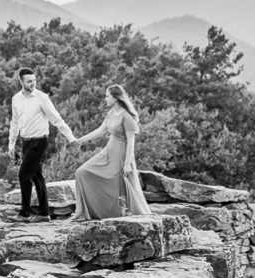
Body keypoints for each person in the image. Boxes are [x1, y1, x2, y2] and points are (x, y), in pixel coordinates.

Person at [69, 84, 151, 221]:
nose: (105, 99)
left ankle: (119, 214)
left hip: (121, 154)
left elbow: (131, 142)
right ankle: (83, 212)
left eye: (107, 96)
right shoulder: (111, 113)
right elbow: (100, 131)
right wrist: (79, 141)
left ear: (116, 98)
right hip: (108, 151)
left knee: (119, 185)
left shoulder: (127, 117)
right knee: (82, 172)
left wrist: (127, 164)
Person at [8, 67, 77, 223]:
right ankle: (44, 213)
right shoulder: (16, 99)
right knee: (37, 176)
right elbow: (15, 122)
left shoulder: (42, 98)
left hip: (39, 142)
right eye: (29, 81)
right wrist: (11, 145)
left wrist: (71, 138)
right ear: (21, 81)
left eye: (34, 80)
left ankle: (24, 214)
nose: (33, 83)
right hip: (25, 142)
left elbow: (56, 119)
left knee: (24, 175)